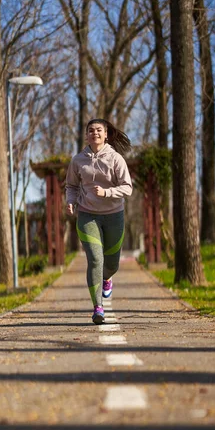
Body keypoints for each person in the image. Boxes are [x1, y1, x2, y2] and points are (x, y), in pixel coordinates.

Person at [65, 118, 133, 324]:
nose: (94, 133)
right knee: (95, 259)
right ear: (86, 135)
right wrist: (70, 201)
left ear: (105, 134)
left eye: (99, 130)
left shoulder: (116, 159)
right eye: (91, 130)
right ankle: (98, 308)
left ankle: (107, 278)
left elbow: (127, 188)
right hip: (87, 215)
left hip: (114, 215)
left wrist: (107, 192)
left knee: (111, 264)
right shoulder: (78, 160)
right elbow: (71, 186)